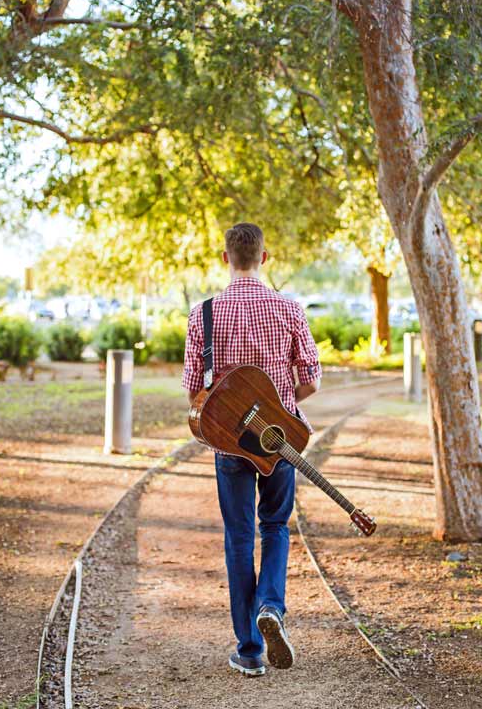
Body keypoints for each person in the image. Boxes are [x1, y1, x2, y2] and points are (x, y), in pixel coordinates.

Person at [182, 222, 322, 677]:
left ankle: (249, 649)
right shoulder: (289, 307)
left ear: (226, 258)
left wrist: (238, 418)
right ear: (264, 258)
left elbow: (192, 392)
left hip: (230, 447)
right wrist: (275, 414)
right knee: (276, 526)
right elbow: (312, 380)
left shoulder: (203, 313)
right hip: (279, 444)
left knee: (239, 537)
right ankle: (271, 608)